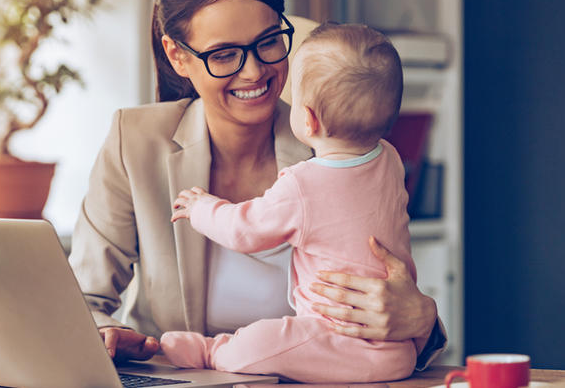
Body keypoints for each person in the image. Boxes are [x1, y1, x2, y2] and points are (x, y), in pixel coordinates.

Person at [68, 0, 445, 370]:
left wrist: (422, 318)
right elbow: (81, 298)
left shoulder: (340, 145)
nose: (254, 72)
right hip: (179, 378)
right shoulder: (134, 141)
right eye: (224, 54)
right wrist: (106, 335)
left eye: (268, 42)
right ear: (178, 56)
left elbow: (391, 285)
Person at [160, 23, 416, 383]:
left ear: (307, 119)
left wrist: (201, 208)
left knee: (265, 339)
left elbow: (244, 230)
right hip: (397, 350)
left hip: (334, 337)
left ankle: (212, 351)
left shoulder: (303, 184)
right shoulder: (389, 160)